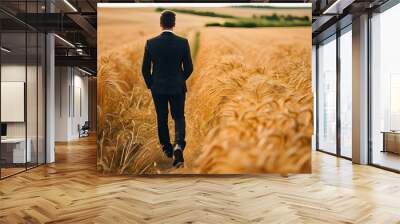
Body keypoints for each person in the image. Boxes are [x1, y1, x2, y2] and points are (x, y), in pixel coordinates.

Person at [141, 10, 193, 167]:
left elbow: (145, 69)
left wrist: (152, 84)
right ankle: (178, 146)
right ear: (174, 24)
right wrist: (178, 80)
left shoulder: (151, 43)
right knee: (178, 117)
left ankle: (167, 150)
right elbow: (189, 68)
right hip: (177, 88)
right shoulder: (183, 42)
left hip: (158, 89)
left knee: (161, 118)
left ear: (161, 24)